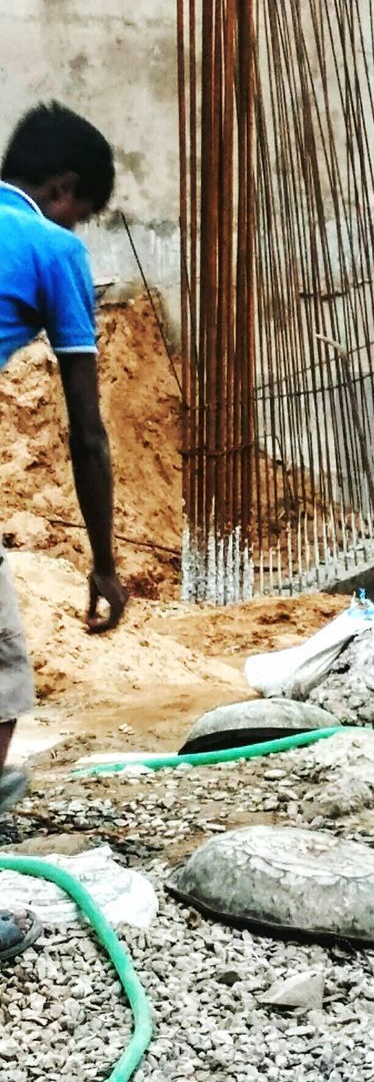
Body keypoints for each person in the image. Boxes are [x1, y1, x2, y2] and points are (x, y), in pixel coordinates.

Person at [0, 102, 127, 961]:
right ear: (63, 189)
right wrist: (106, 562)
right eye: (83, 210)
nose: (81, 224)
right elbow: (87, 427)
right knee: (4, 671)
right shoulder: (53, 248)